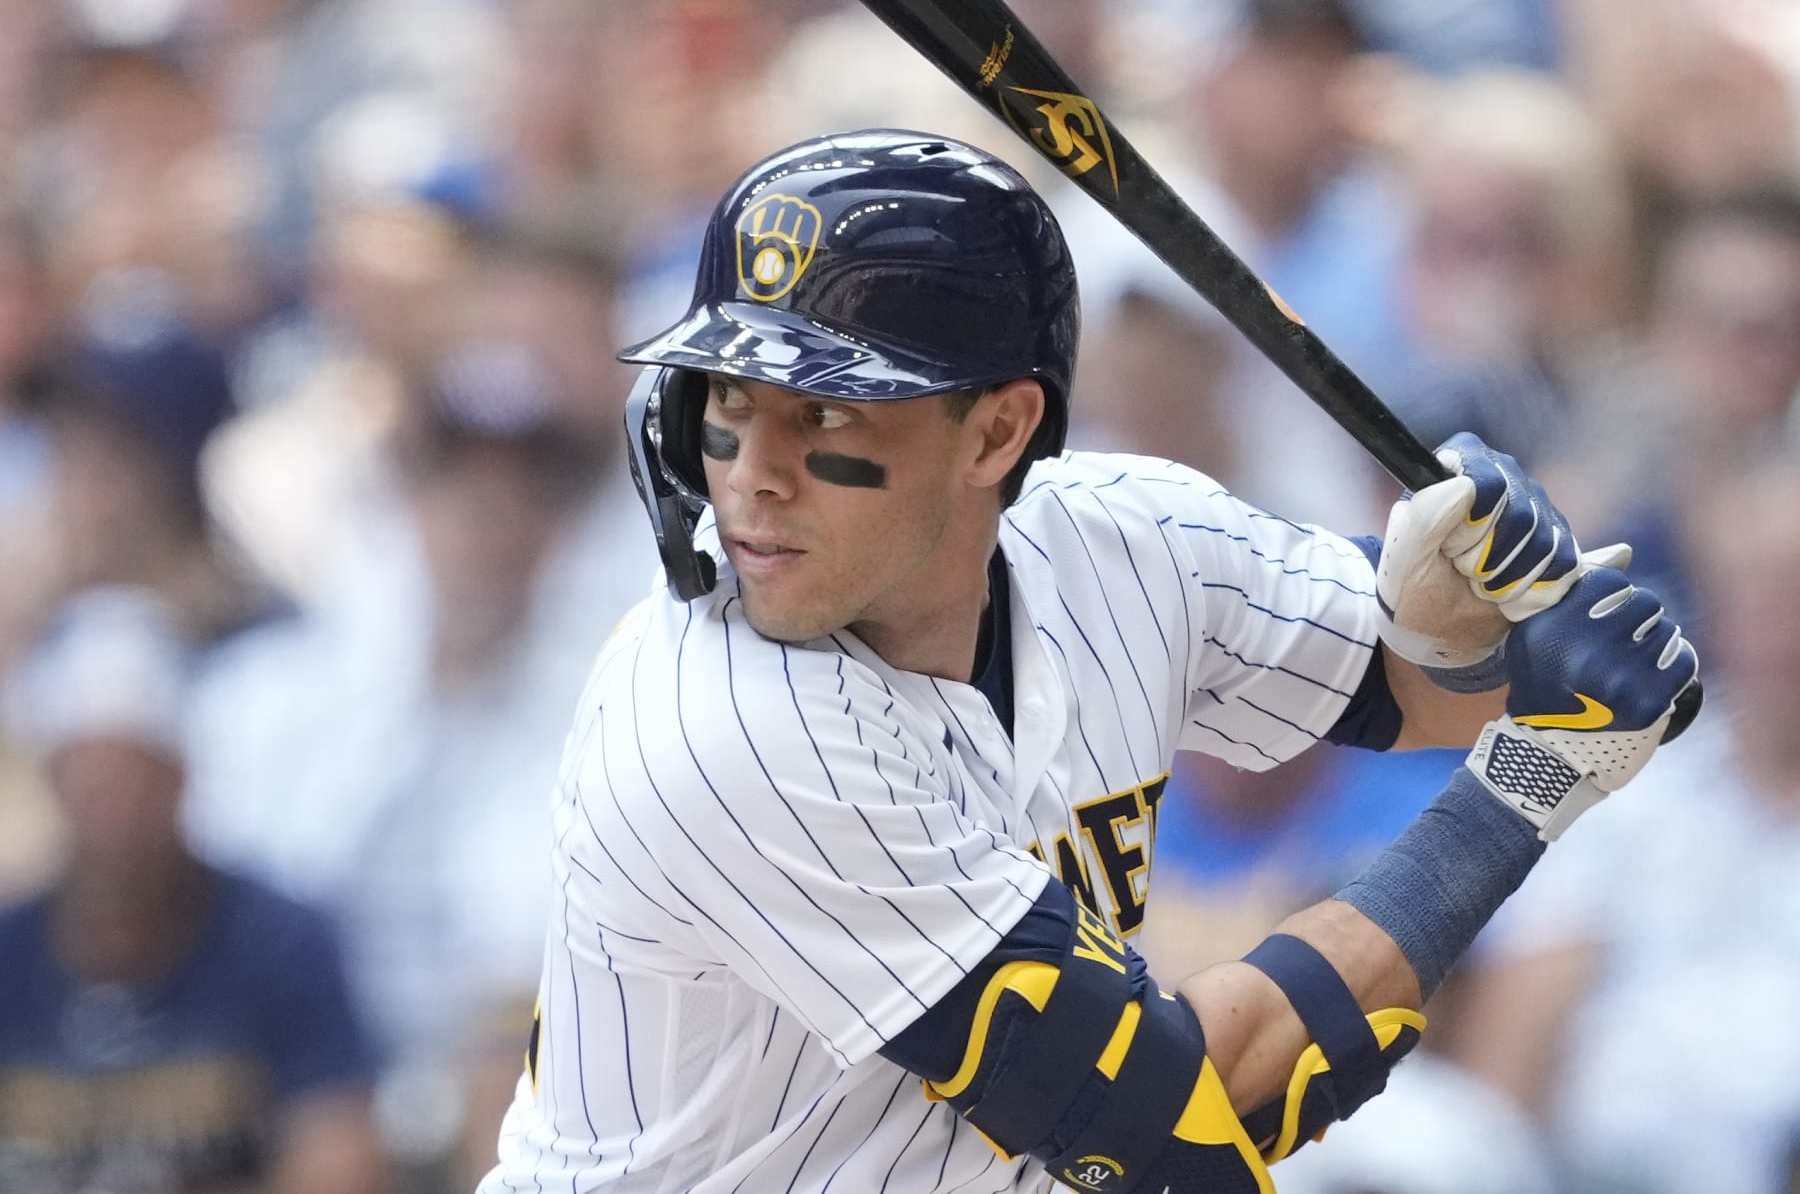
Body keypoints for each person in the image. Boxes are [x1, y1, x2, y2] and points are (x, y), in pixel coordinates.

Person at [479, 129, 1698, 1193]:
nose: (753, 472)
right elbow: (1189, 1128)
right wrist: (1534, 780)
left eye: (829, 412)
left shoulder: (1125, 541)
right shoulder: (724, 727)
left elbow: (1432, 688)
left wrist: (1463, 623)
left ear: (999, 430)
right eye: (732, 399)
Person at [0, 588, 384, 1194]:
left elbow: (341, 1157)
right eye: (93, 780)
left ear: (181, 779)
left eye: (137, 777)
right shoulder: (11, 952)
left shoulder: (283, 943)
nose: (115, 811)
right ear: (55, 783)